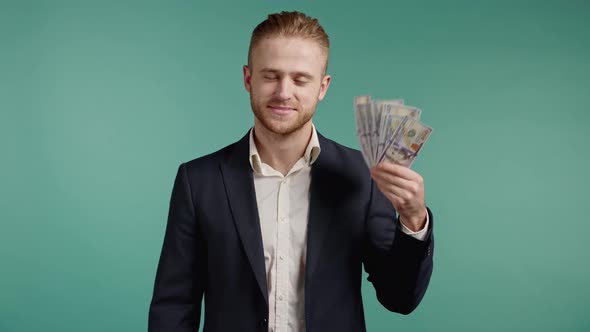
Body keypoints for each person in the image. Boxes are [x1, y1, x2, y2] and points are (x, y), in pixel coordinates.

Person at [148, 11, 434, 332]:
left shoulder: (362, 177)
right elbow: (173, 307)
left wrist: (413, 221)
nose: (284, 92)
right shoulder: (198, 181)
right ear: (248, 79)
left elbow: (400, 298)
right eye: (271, 76)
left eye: (300, 79)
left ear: (323, 87)